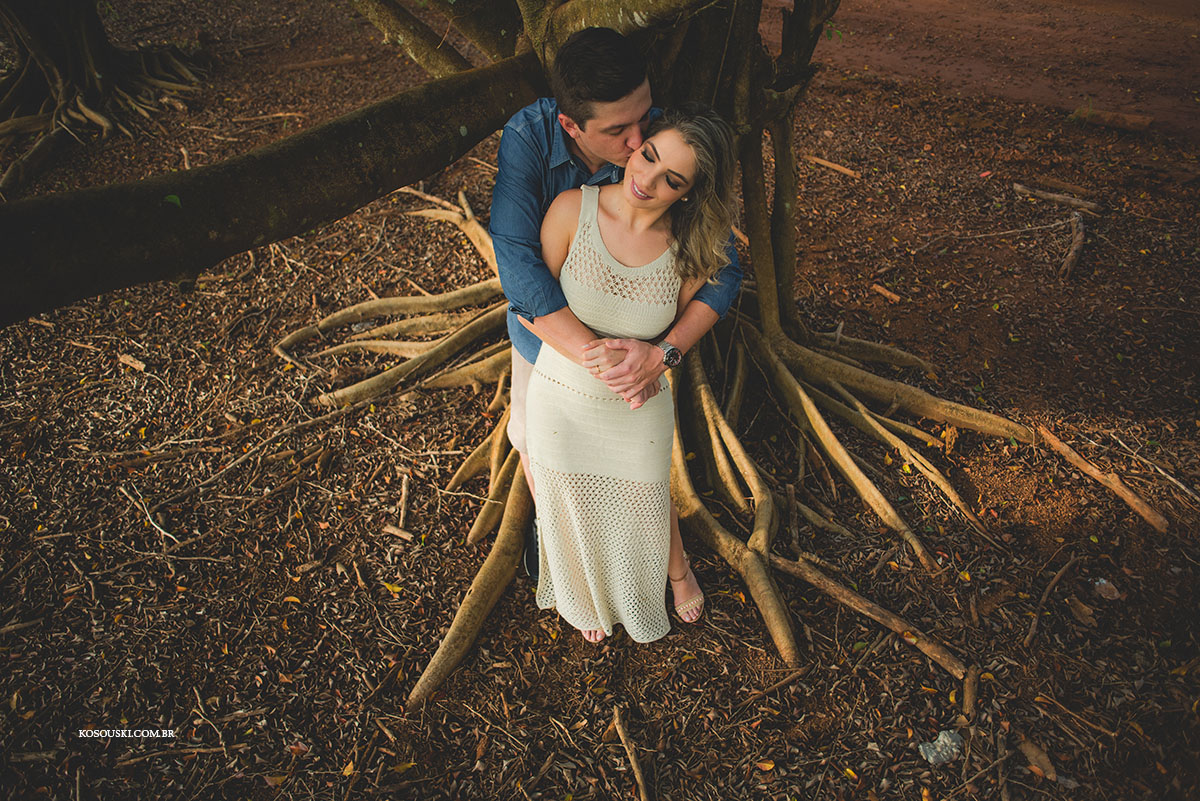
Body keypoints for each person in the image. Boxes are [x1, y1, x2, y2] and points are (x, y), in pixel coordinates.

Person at [489, 27, 743, 594]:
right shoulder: (530, 139)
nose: (638, 144)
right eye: (618, 132)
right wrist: (602, 361)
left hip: (642, 349)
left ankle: (667, 563)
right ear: (571, 126)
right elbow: (521, 270)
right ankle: (559, 538)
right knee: (530, 436)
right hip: (551, 337)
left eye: (644, 120)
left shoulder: (661, 140)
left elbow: (724, 272)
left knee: (641, 460)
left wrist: (662, 354)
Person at [522, 104, 737, 643]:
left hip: (639, 401)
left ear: (687, 193)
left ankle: (677, 571)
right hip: (561, 396)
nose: (647, 179)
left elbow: (676, 331)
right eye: (649, 156)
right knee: (568, 494)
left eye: (672, 180)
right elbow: (530, 308)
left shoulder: (689, 250)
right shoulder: (571, 210)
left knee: (645, 493)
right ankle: (584, 593)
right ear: (637, 146)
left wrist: (659, 356)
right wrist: (596, 358)